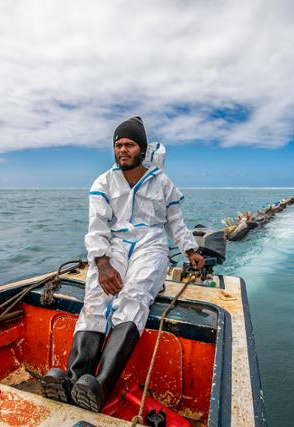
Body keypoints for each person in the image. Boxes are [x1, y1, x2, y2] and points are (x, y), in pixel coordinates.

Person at [42, 116, 204, 412]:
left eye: (129, 144)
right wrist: (102, 263)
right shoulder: (103, 182)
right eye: (118, 145)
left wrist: (190, 249)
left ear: (142, 149)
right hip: (114, 244)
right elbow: (97, 227)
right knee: (96, 297)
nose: (123, 150)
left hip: (151, 244)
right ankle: (75, 379)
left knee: (134, 295)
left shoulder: (163, 183)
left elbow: (175, 224)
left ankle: (102, 384)